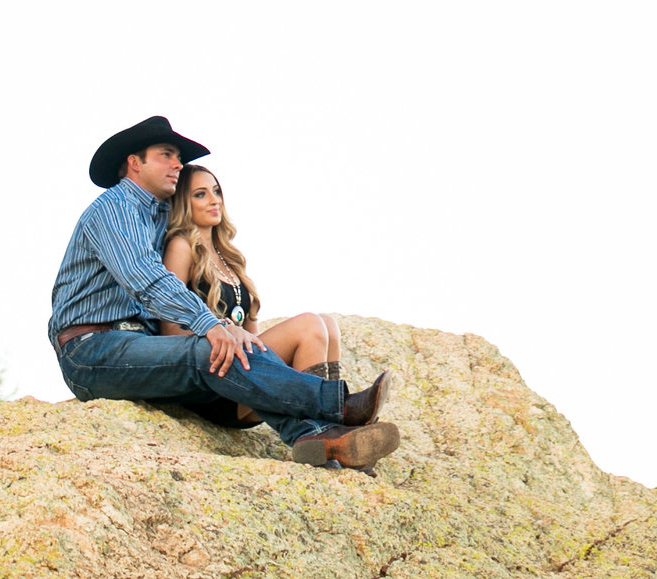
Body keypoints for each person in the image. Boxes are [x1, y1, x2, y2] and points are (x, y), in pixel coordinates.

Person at [47, 115, 398, 469]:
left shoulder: (159, 215)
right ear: (134, 163)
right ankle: (340, 405)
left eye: (178, 157)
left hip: (138, 347)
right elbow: (147, 278)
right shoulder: (114, 208)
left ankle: (317, 437)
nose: (177, 164)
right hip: (91, 349)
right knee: (210, 346)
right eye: (166, 155)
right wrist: (211, 324)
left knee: (232, 347)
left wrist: (229, 328)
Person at [160, 163, 344, 426]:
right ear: (182, 203)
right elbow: (170, 330)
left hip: (248, 376)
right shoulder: (181, 247)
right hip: (215, 382)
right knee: (310, 325)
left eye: (216, 191)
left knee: (328, 324)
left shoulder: (229, 257)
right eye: (200, 194)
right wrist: (217, 333)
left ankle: (334, 426)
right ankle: (321, 430)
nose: (214, 200)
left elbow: (252, 335)